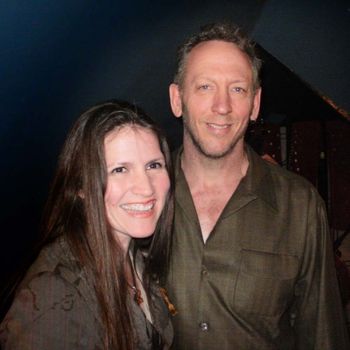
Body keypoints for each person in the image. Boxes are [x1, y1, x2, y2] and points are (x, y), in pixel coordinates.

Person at [166, 22, 350, 349]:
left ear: (255, 104)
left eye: (237, 89)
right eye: (205, 86)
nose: (222, 106)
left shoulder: (300, 205)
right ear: (177, 99)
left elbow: (322, 333)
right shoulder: (138, 197)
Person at [0, 100, 174, 349]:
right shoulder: (53, 302)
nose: (146, 188)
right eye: (120, 169)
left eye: (153, 165)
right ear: (81, 186)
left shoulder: (134, 255)